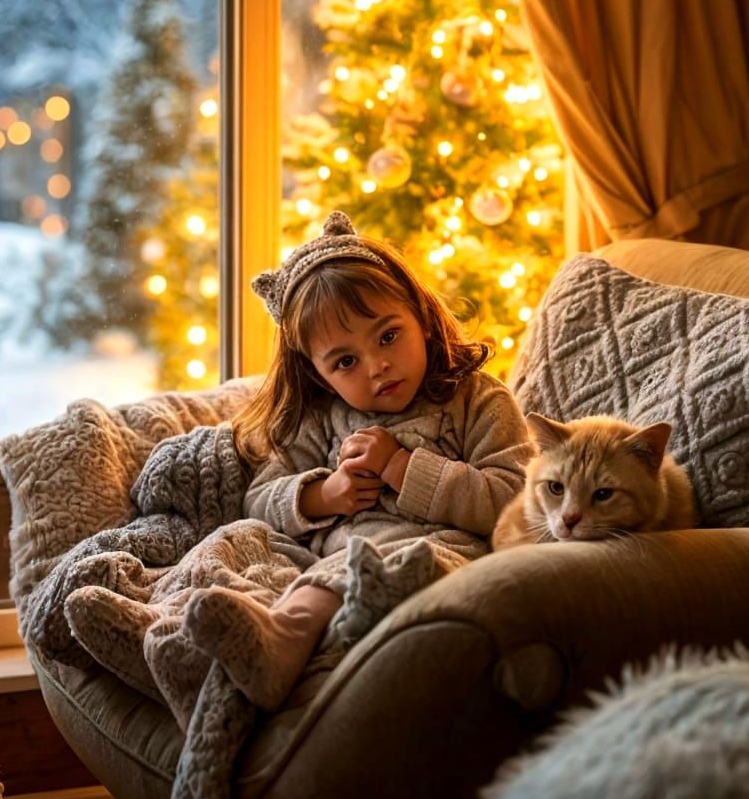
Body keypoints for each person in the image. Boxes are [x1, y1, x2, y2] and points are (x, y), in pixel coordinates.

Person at [184, 211, 533, 709]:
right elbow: (258, 497)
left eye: (388, 336)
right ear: (321, 375)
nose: (377, 367)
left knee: (386, 568)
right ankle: (265, 639)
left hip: (437, 556)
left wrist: (403, 468)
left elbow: (516, 500)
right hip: (327, 557)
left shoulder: (476, 400)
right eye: (345, 361)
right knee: (240, 547)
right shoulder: (321, 416)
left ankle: (283, 644)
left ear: (422, 317)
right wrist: (322, 494)